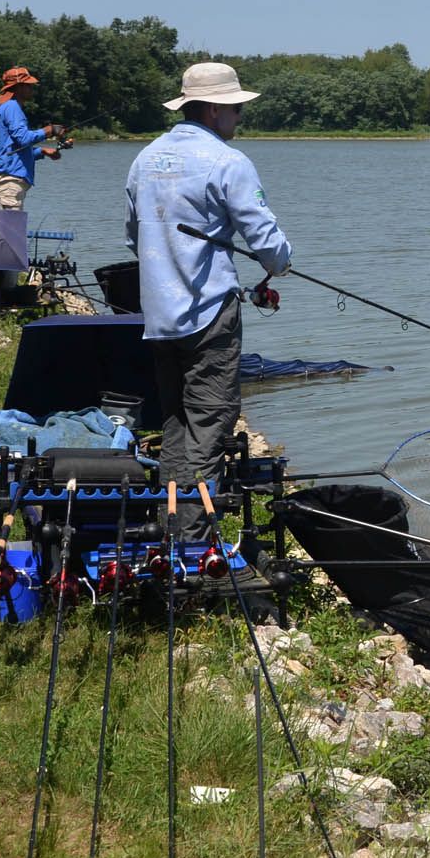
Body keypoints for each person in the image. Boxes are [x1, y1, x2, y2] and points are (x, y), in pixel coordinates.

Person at [125, 62, 291, 538]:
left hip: (158, 315)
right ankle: (193, 540)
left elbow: (133, 236)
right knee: (210, 424)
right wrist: (281, 262)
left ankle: (170, 522)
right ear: (215, 109)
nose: (240, 116)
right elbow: (266, 241)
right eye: (237, 108)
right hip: (209, 315)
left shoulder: (145, 159)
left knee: (177, 421)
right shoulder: (227, 161)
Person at [0, 67, 69, 210]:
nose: (32, 88)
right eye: (28, 85)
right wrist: (48, 130)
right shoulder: (12, 107)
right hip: (9, 179)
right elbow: (23, 139)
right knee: (10, 229)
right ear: (18, 87)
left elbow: (12, 149)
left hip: (8, 176)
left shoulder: (7, 107)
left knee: (10, 229)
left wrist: (42, 152)